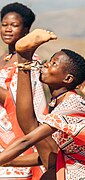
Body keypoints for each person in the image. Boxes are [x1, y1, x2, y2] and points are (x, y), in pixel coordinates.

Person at [0, 29, 85, 180]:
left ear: (68, 79)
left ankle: (24, 58)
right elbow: (49, 151)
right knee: (48, 163)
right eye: (50, 60)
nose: (47, 64)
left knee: (48, 166)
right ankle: (24, 60)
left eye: (54, 63)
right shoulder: (58, 102)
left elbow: (27, 140)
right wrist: (8, 161)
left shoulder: (72, 104)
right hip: (72, 164)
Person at [0, 2, 57, 180]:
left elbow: (22, 101)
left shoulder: (30, 62)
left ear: (26, 30)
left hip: (16, 134)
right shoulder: (2, 59)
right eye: (4, 25)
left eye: (14, 25)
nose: (8, 30)